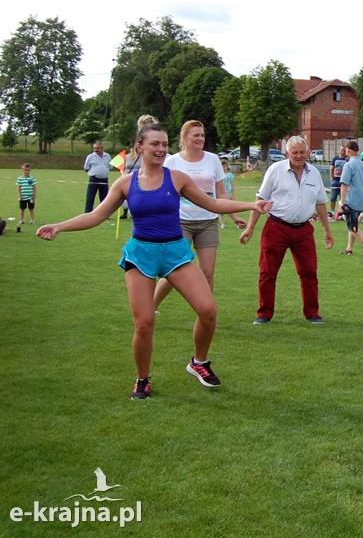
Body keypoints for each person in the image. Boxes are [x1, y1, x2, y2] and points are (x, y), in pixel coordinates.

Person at [36, 123, 270, 399]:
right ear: (140, 147)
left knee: (208, 310)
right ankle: (142, 379)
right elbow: (96, 215)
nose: (161, 149)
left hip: (175, 253)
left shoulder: (178, 178)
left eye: (164, 144)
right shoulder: (125, 182)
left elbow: (213, 204)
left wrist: (250, 205)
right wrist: (59, 226)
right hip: (141, 256)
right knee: (144, 322)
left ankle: (199, 363)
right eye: (154, 144)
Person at [153, 121, 245, 312]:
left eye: (202, 135)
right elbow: (163, 193)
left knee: (208, 273)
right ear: (185, 138)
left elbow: (221, 194)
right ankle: (150, 306)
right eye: (196, 135)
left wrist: (234, 216)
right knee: (174, 270)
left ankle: (205, 314)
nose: (200, 139)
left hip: (207, 222)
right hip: (180, 222)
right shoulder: (173, 162)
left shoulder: (212, 160)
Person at [242, 136, 334, 324]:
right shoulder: (275, 171)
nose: (299, 156)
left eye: (302, 152)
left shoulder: (314, 173)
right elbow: (261, 198)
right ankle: (264, 314)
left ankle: (312, 313)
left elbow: (321, 203)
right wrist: (250, 228)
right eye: (295, 153)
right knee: (267, 272)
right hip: (277, 227)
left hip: (303, 230)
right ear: (287, 154)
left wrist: (327, 230)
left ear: (308, 153)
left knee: (309, 272)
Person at [338, 141, 363, 256]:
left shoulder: (348, 165)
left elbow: (344, 184)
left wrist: (342, 202)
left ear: (348, 150)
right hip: (361, 198)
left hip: (351, 199)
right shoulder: (362, 165)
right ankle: (349, 248)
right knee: (352, 223)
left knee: (352, 225)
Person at [83, 141, 112, 213]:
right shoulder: (90, 157)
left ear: (102, 148)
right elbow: (86, 168)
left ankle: (103, 213)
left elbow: (110, 167)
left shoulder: (107, 156)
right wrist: (93, 173)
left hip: (104, 179)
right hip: (94, 179)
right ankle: (88, 213)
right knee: (90, 197)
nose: (96, 150)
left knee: (104, 198)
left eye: (98, 148)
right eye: (94, 149)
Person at [218, 159, 242, 228]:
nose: (223, 168)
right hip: (221, 195)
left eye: (224, 166)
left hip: (228, 194)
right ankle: (222, 224)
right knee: (221, 211)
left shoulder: (230, 175)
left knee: (231, 209)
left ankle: (236, 223)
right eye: (222, 166)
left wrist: (233, 195)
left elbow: (233, 186)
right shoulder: (218, 175)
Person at [328, 150, 346, 217]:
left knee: (343, 199)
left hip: (343, 182)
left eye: (344, 150)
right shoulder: (335, 159)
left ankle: (341, 213)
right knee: (333, 198)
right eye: (342, 150)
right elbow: (331, 169)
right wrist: (332, 179)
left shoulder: (347, 159)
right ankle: (332, 212)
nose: (343, 152)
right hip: (335, 181)